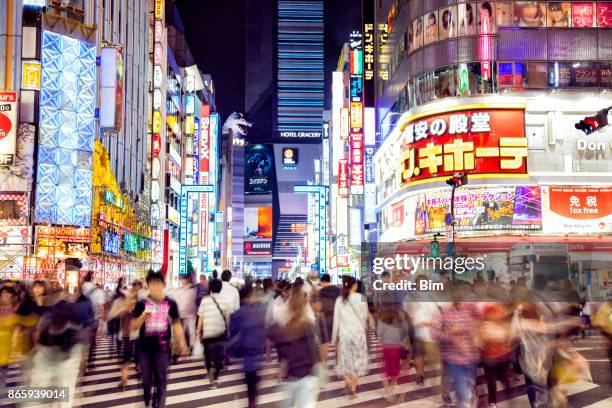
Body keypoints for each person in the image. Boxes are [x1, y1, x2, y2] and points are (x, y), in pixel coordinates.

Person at [28, 285, 94, 407]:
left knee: (53, 387)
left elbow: (37, 333)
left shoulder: (52, 310)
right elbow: (83, 333)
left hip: (60, 353)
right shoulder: (70, 309)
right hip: (60, 353)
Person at [132, 270, 186, 408]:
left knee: (162, 382)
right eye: (152, 283)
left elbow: (176, 324)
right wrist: (142, 317)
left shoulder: (171, 303)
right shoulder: (142, 304)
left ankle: (159, 405)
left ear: (163, 285)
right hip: (144, 349)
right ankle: (147, 401)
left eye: (158, 283)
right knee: (146, 383)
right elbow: (133, 326)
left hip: (162, 350)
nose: (155, 287)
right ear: (148, 285)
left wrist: (182, 342)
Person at [269, 283, 320, 407]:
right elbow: (315, 354)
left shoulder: (283, 329)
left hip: (289, 378)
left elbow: (282, 355)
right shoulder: (309, 325)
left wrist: (281, 370)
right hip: (308, 377)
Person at [432, 287, 481, 408]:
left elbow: (480, 323)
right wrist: (451, 335)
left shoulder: (471, 309)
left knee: (469, 386)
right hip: (453, 358)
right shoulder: (443, 311)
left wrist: (474, 332)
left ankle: (467, 400)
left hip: (471, 356)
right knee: (461, 389)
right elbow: (435, 333)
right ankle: (455, 398)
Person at [229, 283, 267, 408]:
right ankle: (252, 402)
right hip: (257, 353)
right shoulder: (259, 313)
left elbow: (232, 332)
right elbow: (264, 332)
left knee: (250, 381)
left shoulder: (236, 314)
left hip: (245, 354)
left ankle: (251, 402)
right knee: (253, 383)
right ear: (250, 296)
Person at [331, 275, 369, 399]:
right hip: (358, 334)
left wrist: (333, 339)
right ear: (354, 285)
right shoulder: (361, 298)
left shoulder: (339, 300)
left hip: (344, 335)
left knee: (346, 360)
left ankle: (346, 382)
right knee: (357, 361)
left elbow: (336, 320)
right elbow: (364, 318)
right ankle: (353, 387)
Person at [197, 278, 231, 388]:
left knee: (208, 356)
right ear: (220, 288)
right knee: (219, 357)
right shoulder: (225, 301)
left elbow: (201, 318)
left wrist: (199, 331)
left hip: (208, 333)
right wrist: (228, 331)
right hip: (220, 332)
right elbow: (227, 319)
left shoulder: (205, 300)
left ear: (210, 288)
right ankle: (216, 378)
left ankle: (210, 375)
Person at [480, 303, 513, 408]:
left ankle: (508, 386)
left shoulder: (503, 324)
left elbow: (506, 337)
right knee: (491, 382)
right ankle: (492, 401)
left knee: (502, 376)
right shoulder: (484, 326)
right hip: (489, 359)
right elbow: (481, 340)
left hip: (503, 357)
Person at [108, 282, 140, 390]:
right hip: (127, 334)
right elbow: (112, 313)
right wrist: (124, 309)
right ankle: (123, 380)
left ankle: (139, 367)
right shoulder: (122, 302)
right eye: (133, 290)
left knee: (138, 356)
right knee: (126, 358)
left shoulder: (142, 303)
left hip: (139, 334)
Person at [377, 303, 410, 402]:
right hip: (396, 347)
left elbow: (379, 333)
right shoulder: (399, 315)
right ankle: (392, 388)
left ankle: (387, 390)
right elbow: (405, 330)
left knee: (385, 370)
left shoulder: (382, 316)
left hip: (385, 347)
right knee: (395, 370)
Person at [167, 274, 198, 355]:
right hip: (182, 314)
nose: (182, 281)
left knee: (190, 332)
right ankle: (179, 350)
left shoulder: (193, 288)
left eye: (183, 279)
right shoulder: (184, 289)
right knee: (183, 332)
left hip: (189, 314)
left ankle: (188, 347)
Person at [317, 274, 339, 366]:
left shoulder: (321, 292)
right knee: (337, 342)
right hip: (336, 318)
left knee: (324, 342)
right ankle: (337, 364)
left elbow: (318, 306)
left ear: (323, 282)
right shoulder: (338, 290)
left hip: (324, 318)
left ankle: (324, 364)